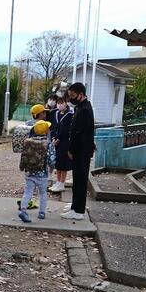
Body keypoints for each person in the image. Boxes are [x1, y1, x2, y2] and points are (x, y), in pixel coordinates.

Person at [62, 82, 94, 221]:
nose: (71, 98)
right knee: (77, 179)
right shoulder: (81, 107)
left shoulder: (84, 109)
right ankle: (75, 205)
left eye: (73, 95)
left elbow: (78, 133)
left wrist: (71, 149)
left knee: (80, 180)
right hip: (81, 149)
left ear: (81, 94)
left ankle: (78, 210)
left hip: (81, 150)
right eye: (69, 95)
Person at [18, 120, 56, 223]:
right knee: (43, 193)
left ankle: (23, 210)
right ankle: (42, 212)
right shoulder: (48, 144)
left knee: (28, 192)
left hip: (29, 173)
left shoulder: (28, 142)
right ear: (46, 131)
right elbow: (52, 160)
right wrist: (51, 169)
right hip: (42, 174)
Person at [49, 97, 73, 193]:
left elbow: (67, 130)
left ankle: (62, 183)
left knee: (63, 164)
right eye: (58, 103)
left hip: (64, 142)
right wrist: (53, 138)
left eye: (61, 103)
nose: (59, 105)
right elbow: (53, 127)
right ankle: (58, 182)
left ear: (66, 103)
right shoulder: (56, 114)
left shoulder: (70, 115)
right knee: (57, 163)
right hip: (56, 142)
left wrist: (59, 138)